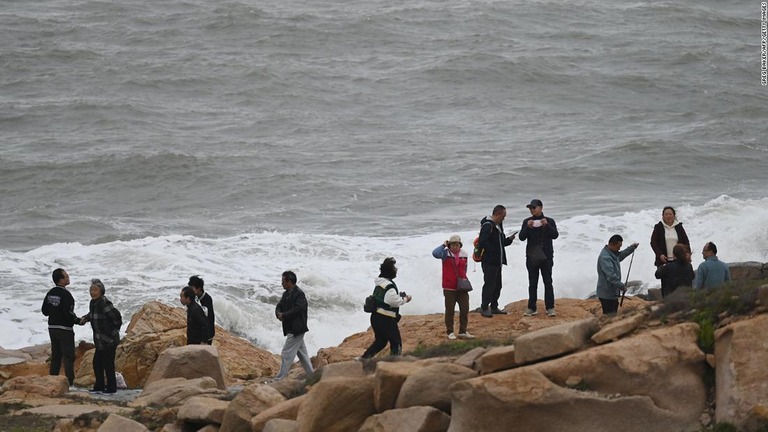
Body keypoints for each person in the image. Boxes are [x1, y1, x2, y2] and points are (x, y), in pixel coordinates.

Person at [362, 257, 412, 358]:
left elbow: (386, 299)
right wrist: (406, 299)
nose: (396, 270)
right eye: (394, 268)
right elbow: (394, 302)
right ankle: (393, 363)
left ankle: (363, 359)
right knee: (396, 343)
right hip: (385, 318)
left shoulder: (380, 283)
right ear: (390, 272)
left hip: (375, 317)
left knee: (381, 342)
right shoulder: (389, 286)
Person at [79, 279, 122, 394]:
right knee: (97, 363)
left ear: (101, 291)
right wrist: (85, 318)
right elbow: (92, 314)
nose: (92, 292)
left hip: (109, 340)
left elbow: (117, 317)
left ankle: (111, 388)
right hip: (99, 340)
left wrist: (113, 331)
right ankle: (100, 386)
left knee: (108, 364)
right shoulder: (93, 303)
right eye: (91, 290)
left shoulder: (105, 303)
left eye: (95, 290)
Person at [519, 199, 560, 317]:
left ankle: (550, 307)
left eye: (534, 207)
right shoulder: (527, 221)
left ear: (541, 208)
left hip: (546, 256)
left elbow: (555, 235)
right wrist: (527, 227)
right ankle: (532, 308)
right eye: (530, 208)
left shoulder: (549, 221)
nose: (532, 210)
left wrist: (546, 225)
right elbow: (521, 237)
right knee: (532, 282)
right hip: (532, 256)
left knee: (548, 281)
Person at [272, 270, 314, 381]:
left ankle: (279, 379)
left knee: (286, 353)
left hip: (297, 328)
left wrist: (284, 315)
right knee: (302, 354)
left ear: (290, 281)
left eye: (283, 281)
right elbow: (279, 306)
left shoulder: (299, 294)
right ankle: (312, 376)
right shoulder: (286, 294)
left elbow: (299, 309)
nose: (282, 283)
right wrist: (278, 313)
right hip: (291, 327)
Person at [41, 268, 80, 388]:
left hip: (52, 327)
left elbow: (45, 311)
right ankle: (70, 383)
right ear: (61, 280)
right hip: (65, 329)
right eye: (66, 276)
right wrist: (77, 321)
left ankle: (52, 381)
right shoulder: (66, 294)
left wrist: (54, 312)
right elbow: (68, 313)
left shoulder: (50, 293)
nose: (68, 278)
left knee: (56, 356)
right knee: (68, 356)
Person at [432, 235, 475, 340]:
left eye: (457, 244)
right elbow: (435, 253)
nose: (455, 246)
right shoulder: (445, 253)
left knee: (465, 309)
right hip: (449, 287)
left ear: (460, 245)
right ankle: (450, 331)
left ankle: (463, 331)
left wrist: (463, 280)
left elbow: (465, 268)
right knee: (450, 310)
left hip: (462, 286)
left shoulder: (464, 253)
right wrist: (443, 245)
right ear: (449, 245)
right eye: (453, 244)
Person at [477, 205, 516, 318]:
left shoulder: (498, 226)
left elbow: (501, 243)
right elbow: (482, 242)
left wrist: (509, 240)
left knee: (497, 285)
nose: (504, 218)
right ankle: (485, 307)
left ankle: (494, 306)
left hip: (497, 262)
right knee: (489, 284)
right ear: (497, 214)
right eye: (503, 216)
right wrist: (492, 253)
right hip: (489, 261)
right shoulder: (488, 225)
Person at [596, 235, 639, 315]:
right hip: (606, 294)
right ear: (611, 244)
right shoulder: (605, 257)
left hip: (612, 293)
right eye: (618, 247)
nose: (619, 249)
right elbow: (611, 276)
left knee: (613, 314)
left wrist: (631, 248)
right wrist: (622, 286)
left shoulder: (612, 253)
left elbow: (621, 256)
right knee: (609, 316)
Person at [188, 275, 215, 345]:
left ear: (199, 288)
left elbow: (207, 319)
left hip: (207, 334)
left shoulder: (207, 299)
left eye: (192, 288)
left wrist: (205, 338)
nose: (190, 290)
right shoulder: (195, 298)